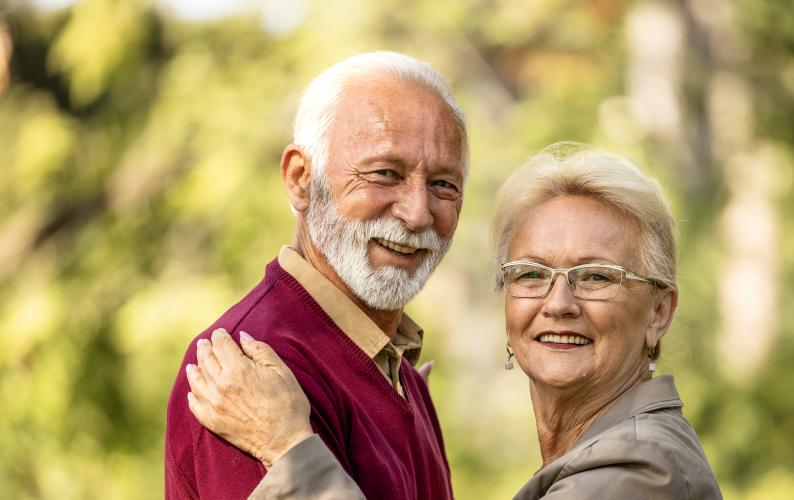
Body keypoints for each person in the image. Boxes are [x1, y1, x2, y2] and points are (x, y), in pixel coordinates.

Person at [186, 144, 723, 499]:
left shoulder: (642, 471)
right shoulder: (601, 451)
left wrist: (287, 447)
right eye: (531, 273)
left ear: (659, 312)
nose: (558, 302)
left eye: (597, 277)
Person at [164, 51, 468, 499]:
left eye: (443, 184)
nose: (418, 213)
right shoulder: (246, 375)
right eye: (385, 173)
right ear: (301, 179)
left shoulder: (396, 372)